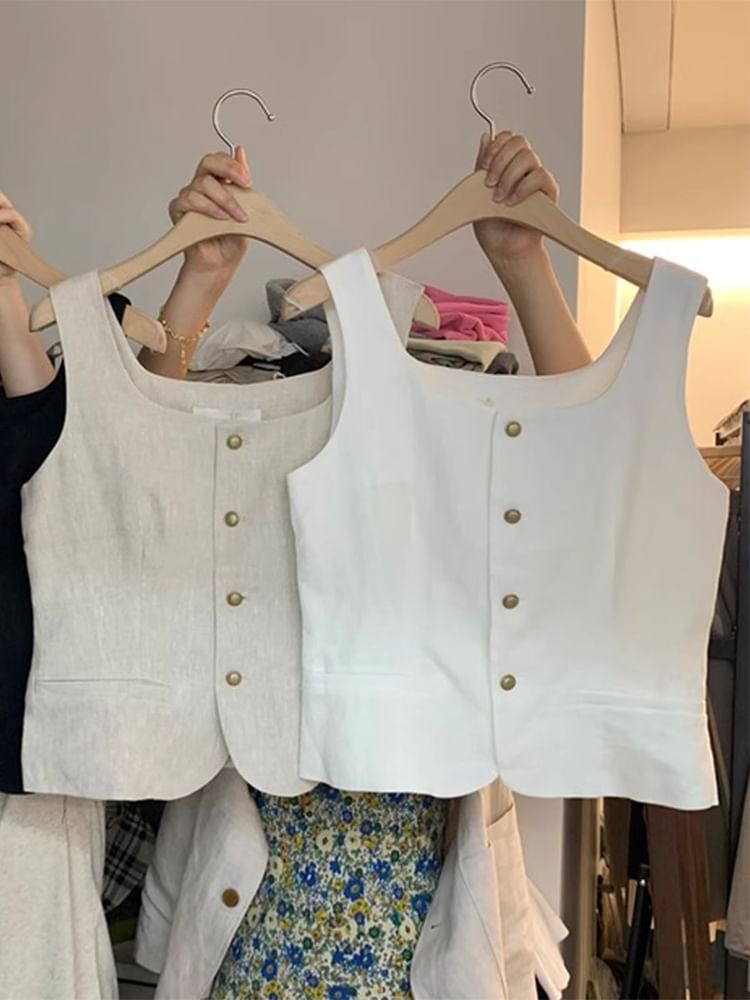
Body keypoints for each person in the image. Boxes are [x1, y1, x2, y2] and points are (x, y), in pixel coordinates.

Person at [0, 129, 588, 999]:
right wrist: (199, 280)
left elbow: (580, 469)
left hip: (417, 944)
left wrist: (526, 266)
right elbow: (133, 474)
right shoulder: (225, 512)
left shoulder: (433, 466)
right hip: (247, 949)